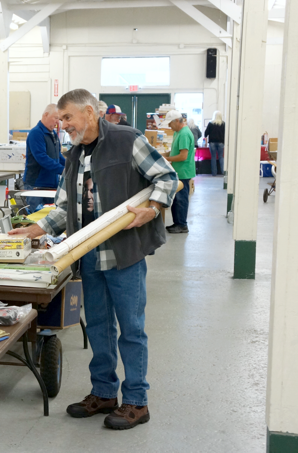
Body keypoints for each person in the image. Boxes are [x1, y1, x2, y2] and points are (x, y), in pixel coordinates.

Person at [9, 89, 178, 430]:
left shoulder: (127, 140)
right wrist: (35, 229)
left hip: (124, 253)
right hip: (88, 256)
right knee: (100, 327)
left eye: (68, 117)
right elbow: (64, 207)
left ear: (89, 112)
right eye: (60, 119)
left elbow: (167, 177)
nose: (63, 125)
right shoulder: (74, 154)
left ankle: (137, 401)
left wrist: (153, 209)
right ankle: (104, 393)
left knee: (131, 329)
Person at [23, 104, 65, 212]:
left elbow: (58, 156)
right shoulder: (36, 133)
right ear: (46, 115)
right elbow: (42, 158)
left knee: (50, 216)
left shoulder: (53, 134)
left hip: (51, 185)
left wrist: (70, 166)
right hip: (37, 185)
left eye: (59, 119)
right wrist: (63, 170)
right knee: (36, 216)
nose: (57, 122)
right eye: (56, 118)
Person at [162, 110, 195, 234]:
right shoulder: (178, 132)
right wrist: (162, 155)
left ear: (177, 121)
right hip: (178, 171)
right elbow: (174, 151)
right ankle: (177, 223)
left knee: (181, 199)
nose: (169, 126)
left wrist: (167, 159)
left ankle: (182, 225)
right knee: (176, 199)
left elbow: (183, 156)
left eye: (170, 123)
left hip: (183, 172)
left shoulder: (184, 134)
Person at [204, 111, 226, 177]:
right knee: (221, 157)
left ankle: (214, 173)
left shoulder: (210, 123)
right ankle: (223, 172)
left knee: (213, 157)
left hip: (212, 142)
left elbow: (206, 133)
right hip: (221, 142)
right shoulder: (223, 124)